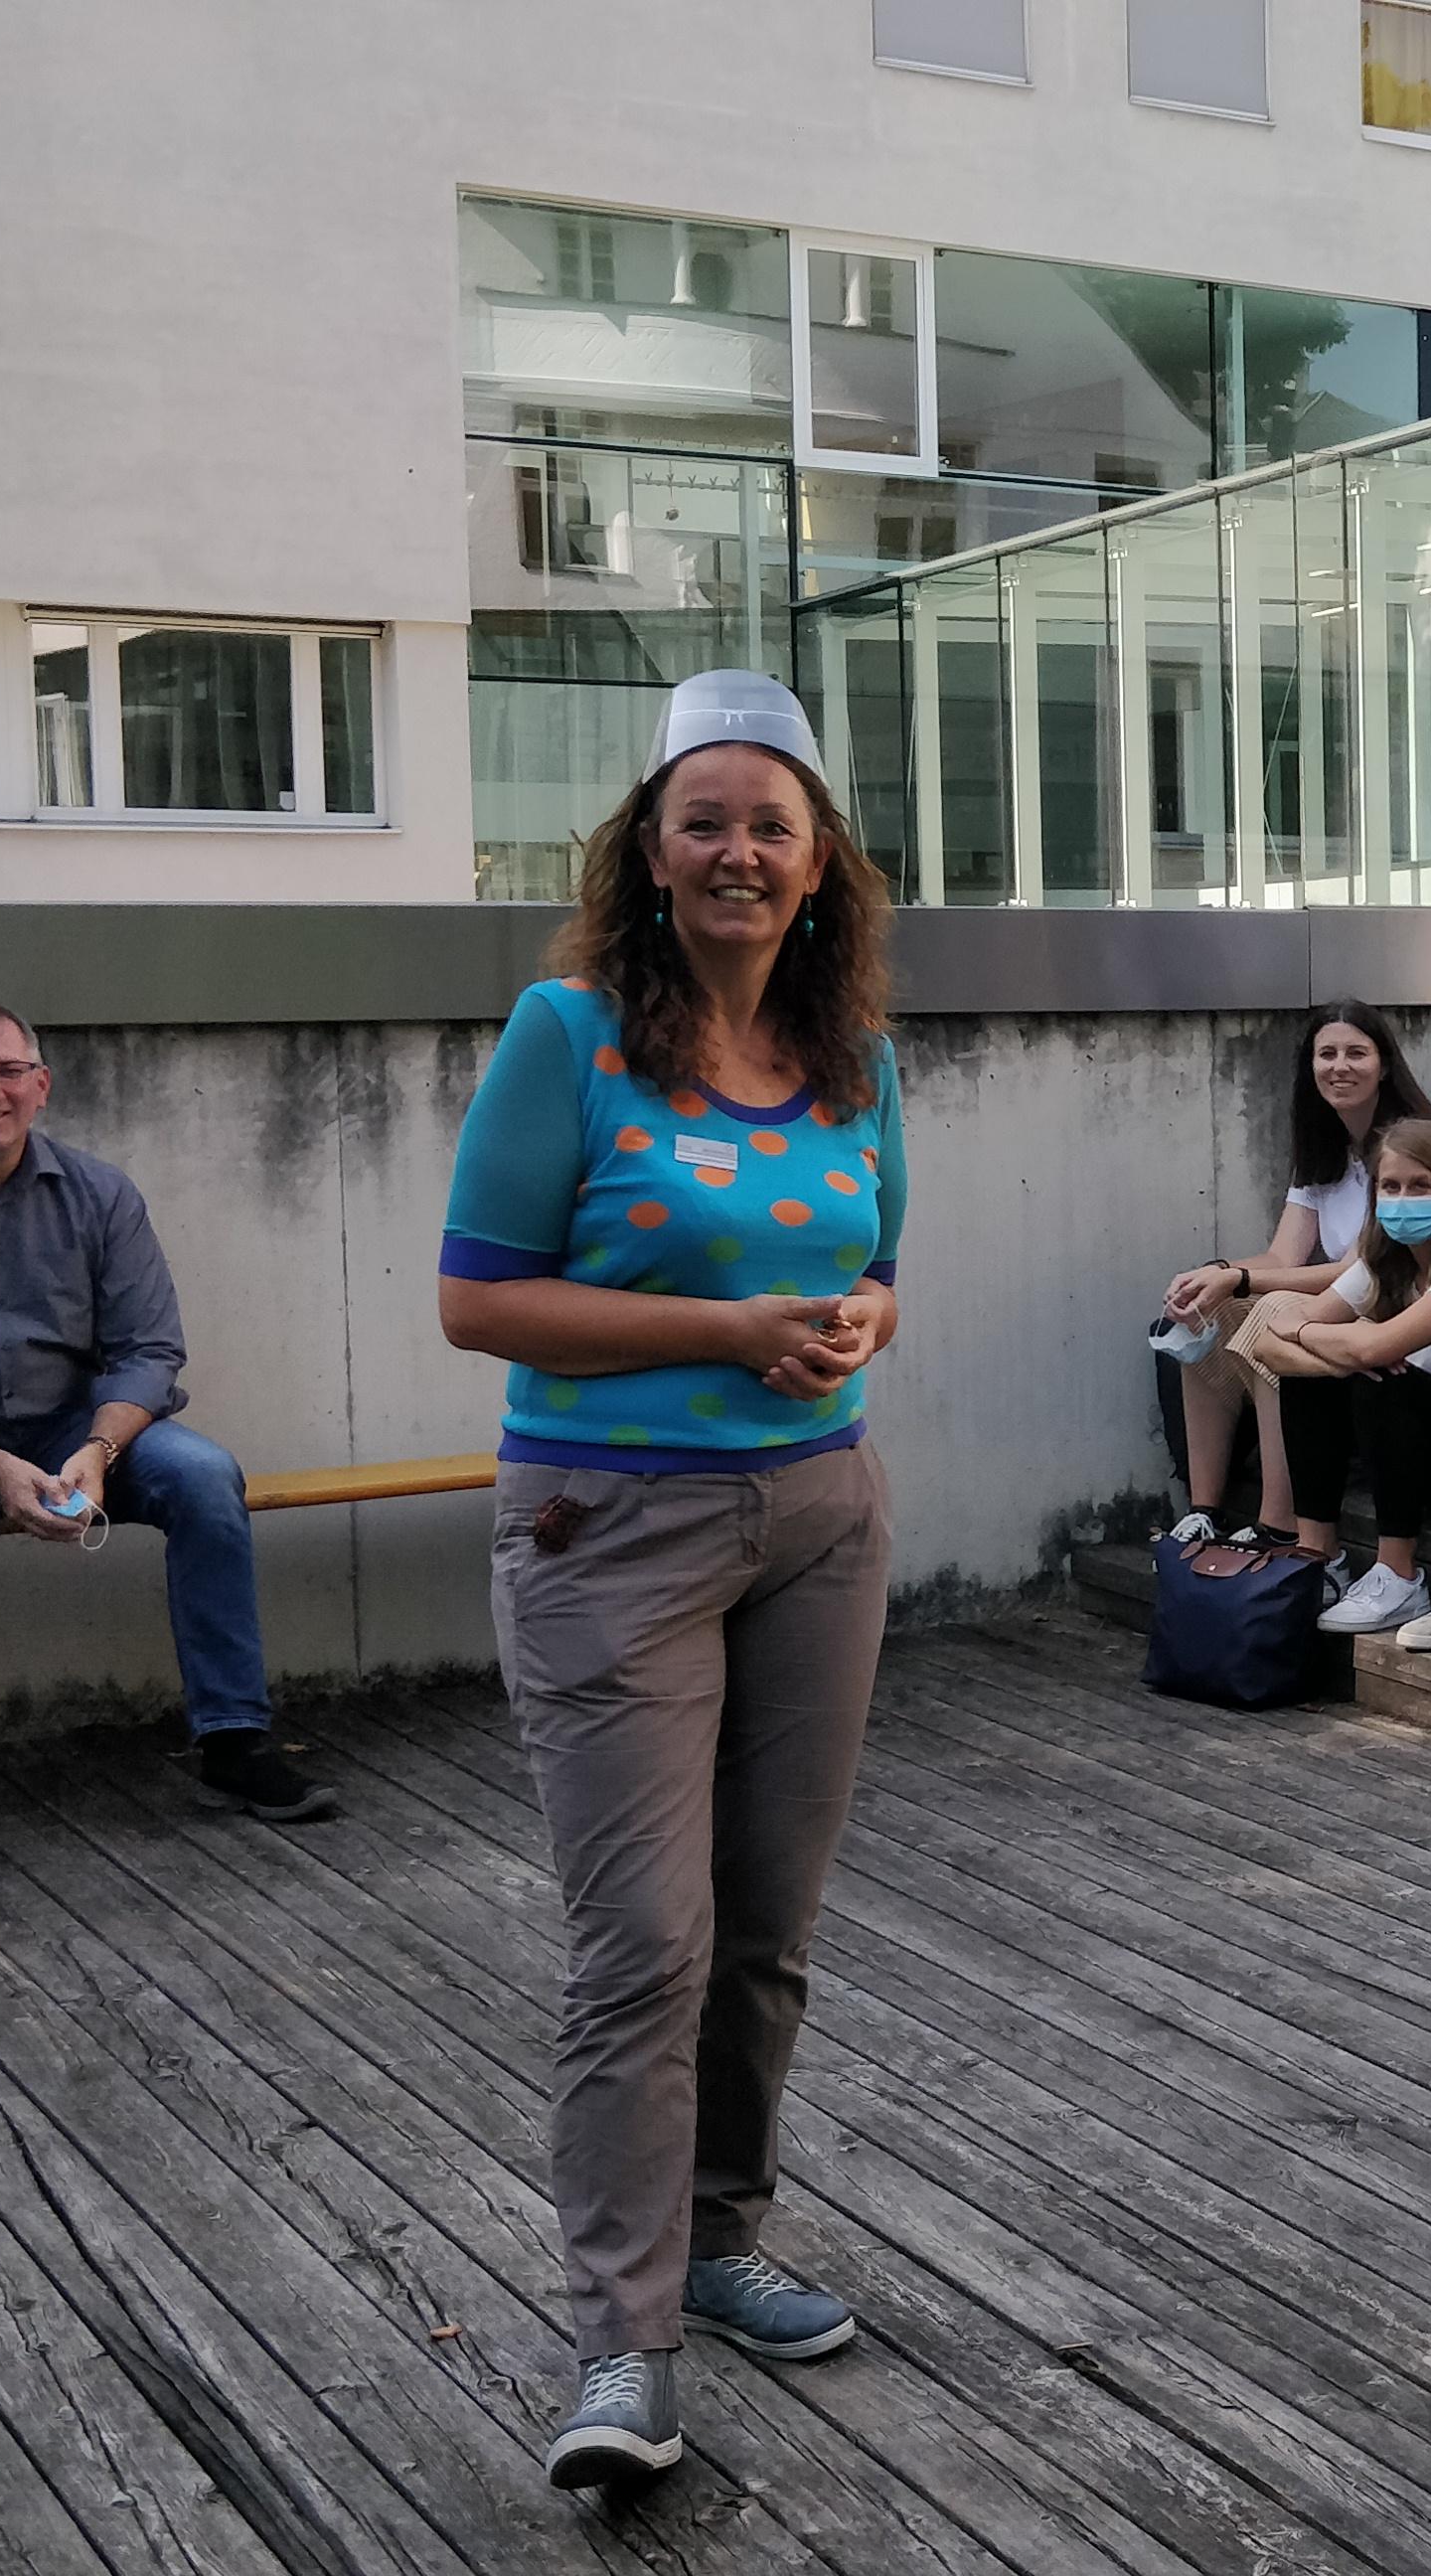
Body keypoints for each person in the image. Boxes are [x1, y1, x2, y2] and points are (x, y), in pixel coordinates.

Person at [434, 670, 908, 2486]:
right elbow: (478, 1296)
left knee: (765, 1931)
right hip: (606, 1528)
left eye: (768, 825)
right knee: (644, 1942)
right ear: (647, 847)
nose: (734, 849)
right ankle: (619, 2343)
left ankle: (718, 2237)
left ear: (817, 867)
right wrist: (720, 1321)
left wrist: (856, 1318)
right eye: (701, 818)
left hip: (819, 1519)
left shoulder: (856, 1054)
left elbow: (884, 1277)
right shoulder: (568, 1035)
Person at [0, 1004, 331, 1879]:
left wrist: (101, 1450)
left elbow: (150, 1350)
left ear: (40, 1086)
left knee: (205, 1474)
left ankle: (235, 1742)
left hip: (72, 1430)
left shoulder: (100, 1195)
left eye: (10, 1071)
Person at [1153, 1003, 1431, 1542]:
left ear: (1384, 1065)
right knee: (1205, 1309)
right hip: (1344, 1300)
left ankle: (1279, 1520)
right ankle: (1205, 1510)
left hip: (1398, 1311)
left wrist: (1239, 1282)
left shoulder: (1409, 1146)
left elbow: (1364, 1269)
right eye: (1327, 1054)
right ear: (1309, 1066)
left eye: (1356, 1053)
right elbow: (1284, 1256)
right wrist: (1213, 1275)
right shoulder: (1324, 1148)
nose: (1340, 1066)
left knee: (1269, 1310)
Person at [1255, 1119, 1431, 1639]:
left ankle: (1399, 1574)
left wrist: (1308, 1331)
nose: (1402, 1199)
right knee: (1316, 1374)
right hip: (1427, 1453)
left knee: (1384, 1376)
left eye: (1420, 1186)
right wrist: (1321, 1340)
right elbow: (1267, 1343)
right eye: (1390, 1187)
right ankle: (1318, 1555)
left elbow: (1371, 1347)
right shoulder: (1382, 1264)